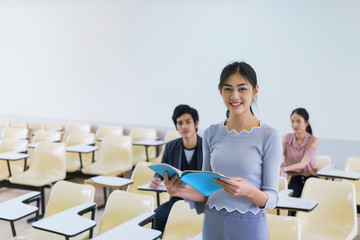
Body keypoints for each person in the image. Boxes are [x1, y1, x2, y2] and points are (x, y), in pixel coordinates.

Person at [164, 61, 282, 240]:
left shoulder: (269, 135)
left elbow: (272, 199)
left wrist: (248, 190)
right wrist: (177, 191)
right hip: (213, 224)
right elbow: (206, 190)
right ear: (220, 91)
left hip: (249, 227)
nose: (235, 96)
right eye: (228, 89)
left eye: (242, 89)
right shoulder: (211, 133)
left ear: (255, 91)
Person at [149, 104, 203, 232]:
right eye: (180, 123)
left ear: (196, 123)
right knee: (156, 217)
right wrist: (156, 178)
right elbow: (162, 171)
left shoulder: (208, 147)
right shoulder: (171, 147)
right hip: (178, 199)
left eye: (188, 122)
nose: (184, 126)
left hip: (201, 201)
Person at [281, 108, 319, 200]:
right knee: (289, 202)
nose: (295, 124)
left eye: (298, 121)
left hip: (310, 179)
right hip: (295, 178)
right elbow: (277, 156)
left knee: (308, 203)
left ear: (306, 122)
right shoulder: (287, 138)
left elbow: (302, 164)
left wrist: (283, 168)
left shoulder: (313, 140)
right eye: (292, 121)